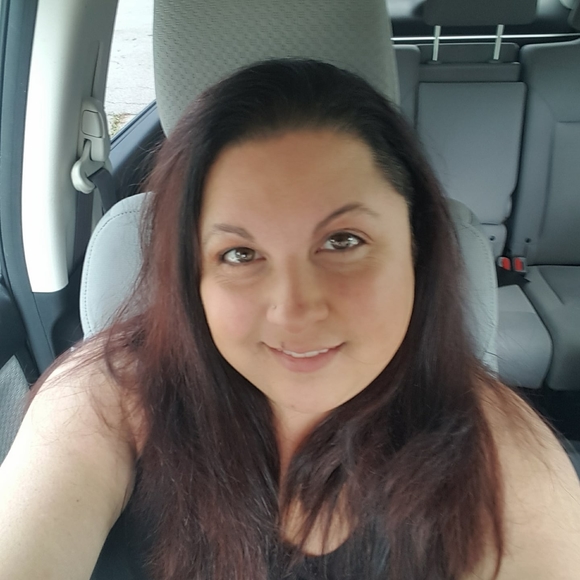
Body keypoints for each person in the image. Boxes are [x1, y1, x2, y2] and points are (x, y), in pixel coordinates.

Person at [1, 59, 579, 580]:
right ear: (190, 278)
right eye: (240, 254)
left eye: (343, 241)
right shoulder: (104, 400)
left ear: (416, 250)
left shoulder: (499, 451)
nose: (295, 308)